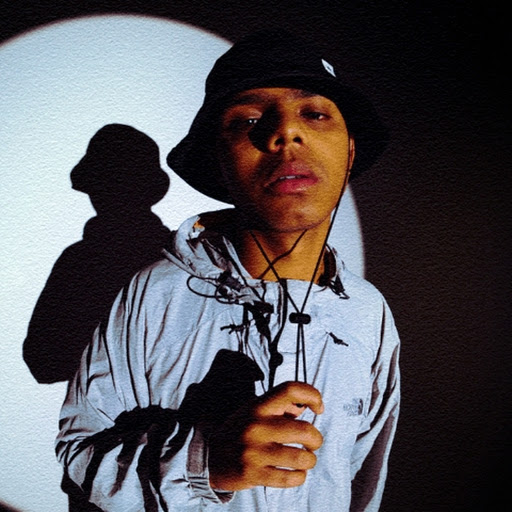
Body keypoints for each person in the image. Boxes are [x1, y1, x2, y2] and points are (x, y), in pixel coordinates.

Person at [56, 29, 400, 512]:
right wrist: (204, 461)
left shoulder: (368, 312)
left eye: (315, 113)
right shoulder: (156, 293)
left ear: (350, 151)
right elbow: (80, 453)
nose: (286, 133)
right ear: (219, 161)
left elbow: (362, 482)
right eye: (249, 120)